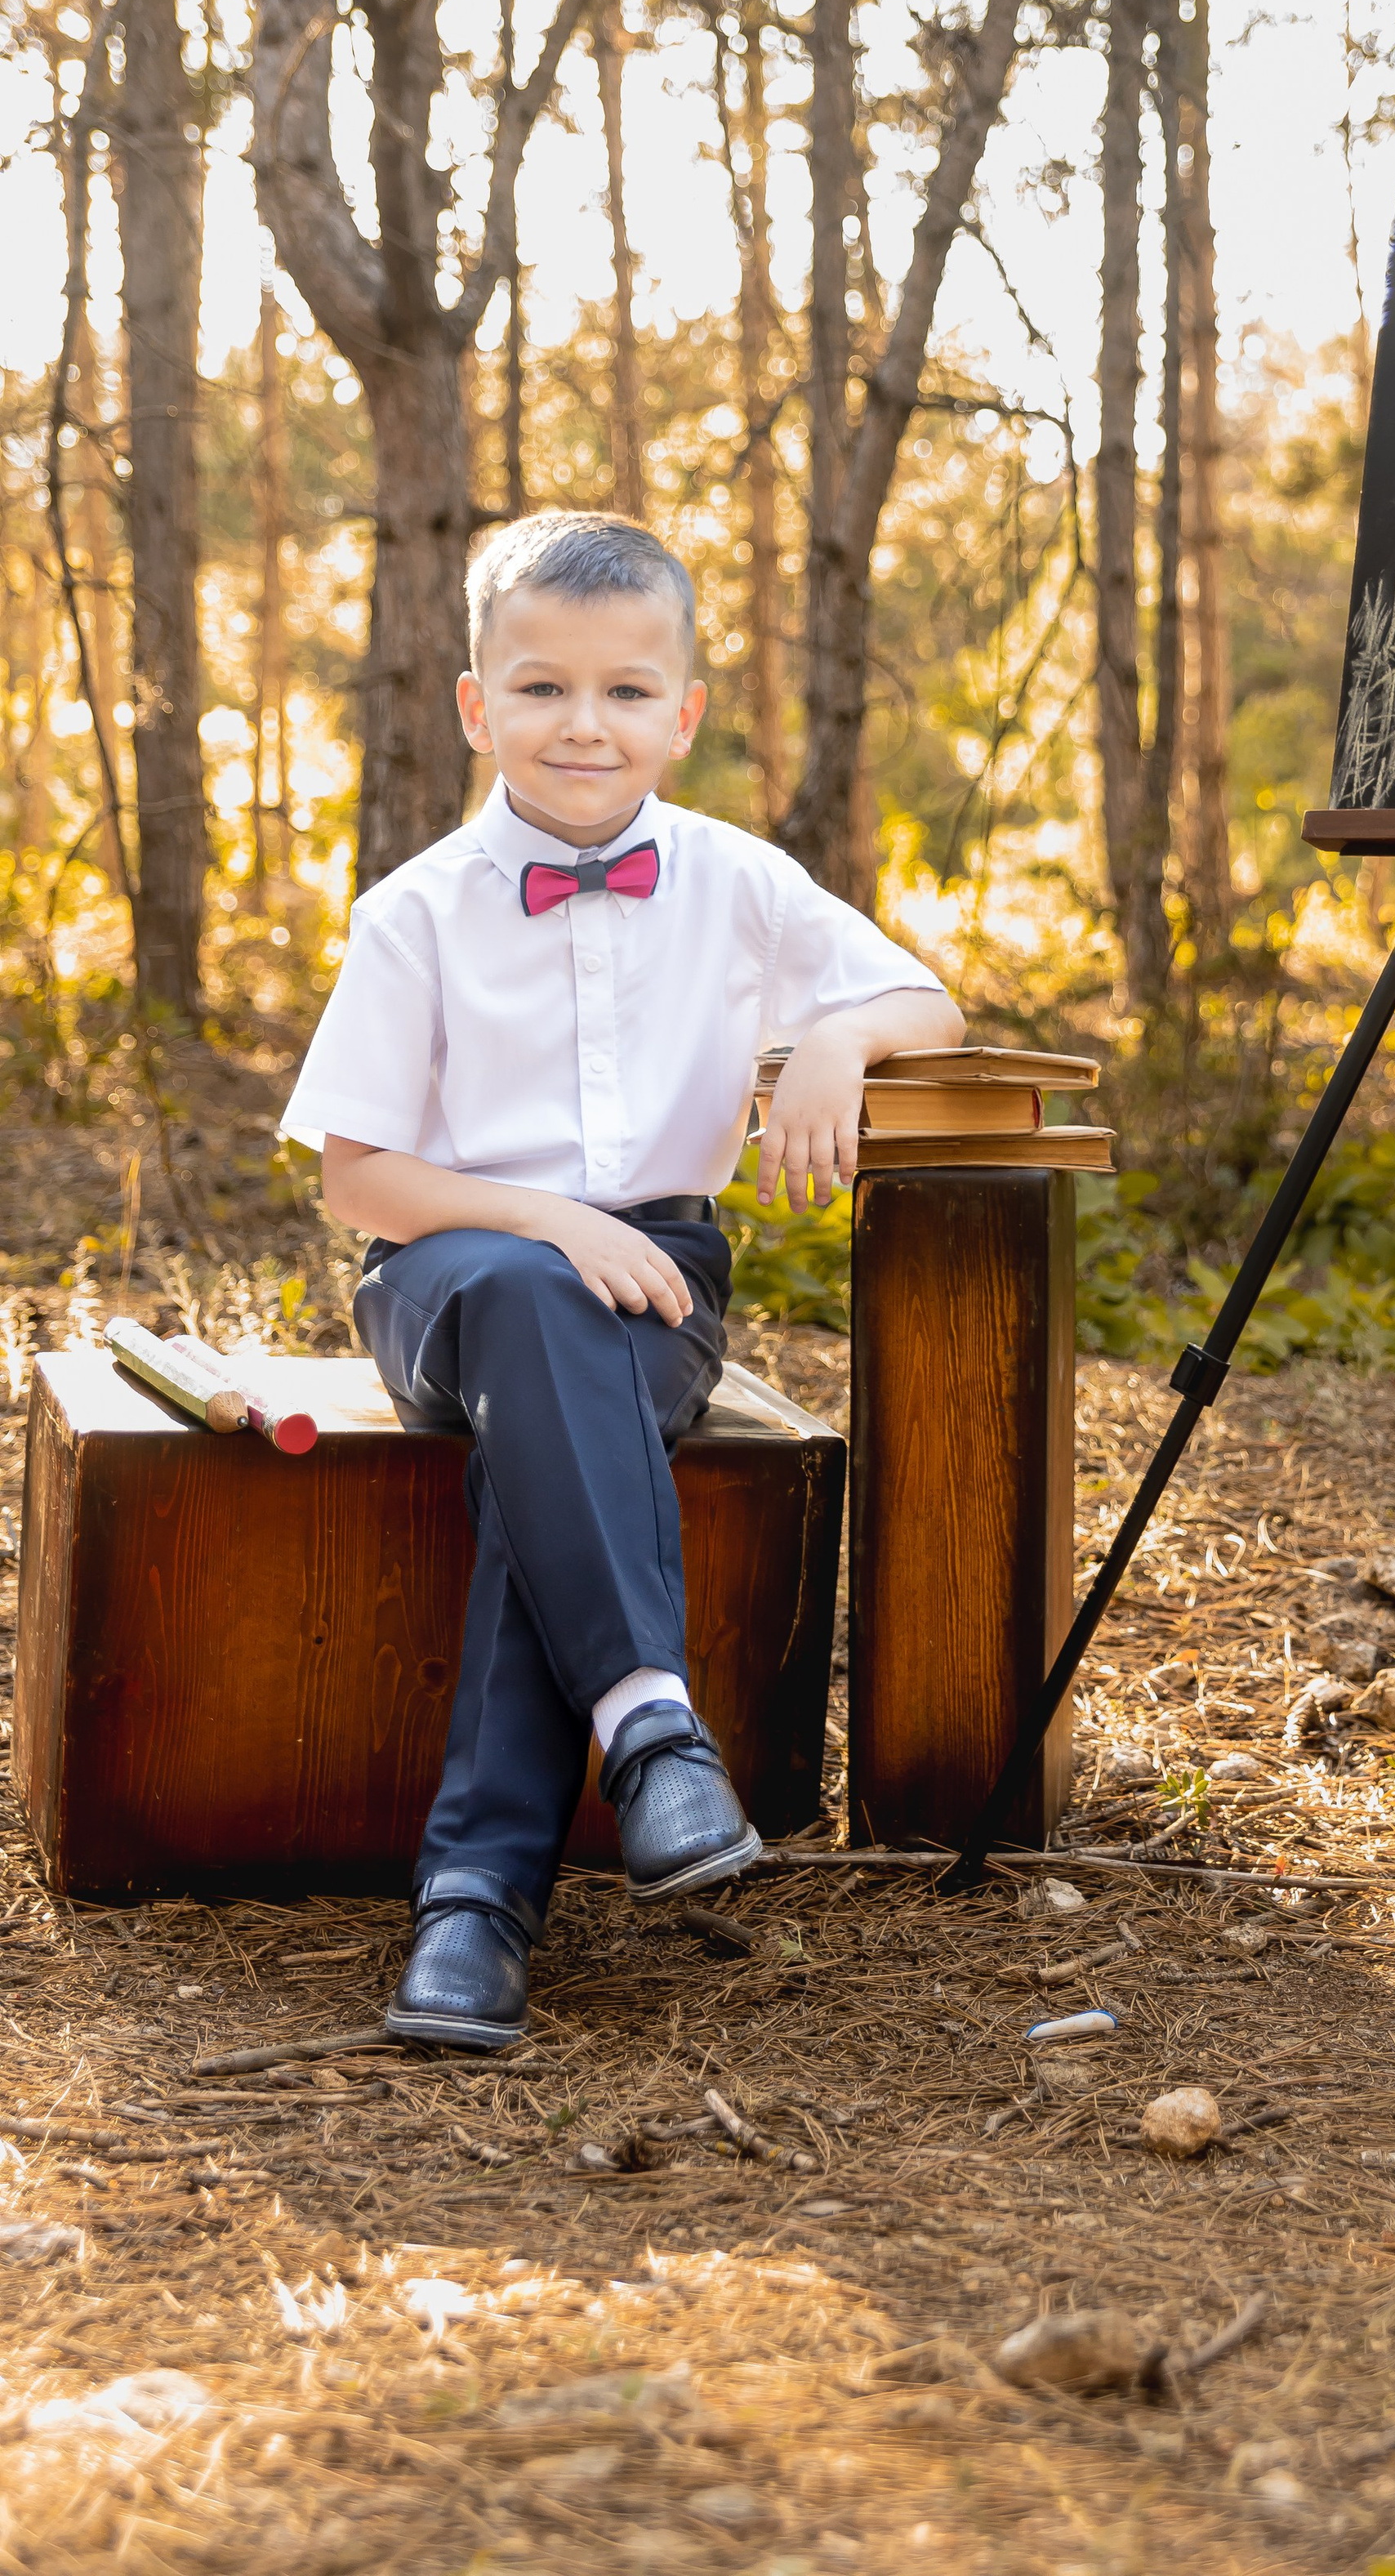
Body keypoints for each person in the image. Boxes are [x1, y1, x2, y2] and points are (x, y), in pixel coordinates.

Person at [280, 511, 961, 2048]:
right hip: (441, 1279)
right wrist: (549, 1223)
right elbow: (354, 1178)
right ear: (476, 706)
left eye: (625, 692)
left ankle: (479, 1908)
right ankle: (650, 1728)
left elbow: (930, 998)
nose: (585, 725)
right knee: (532, 1308)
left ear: (684, 713)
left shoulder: (738, 881)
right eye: (540, 690)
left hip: (663, 1281)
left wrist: (839, 1039)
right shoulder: (419, 911)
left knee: (558, 1429)